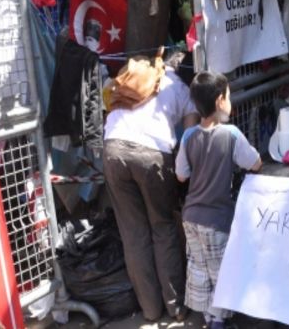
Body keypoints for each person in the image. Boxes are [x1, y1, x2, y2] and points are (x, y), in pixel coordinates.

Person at [102, 51, 199, 322]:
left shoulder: (143, 73)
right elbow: (188, 141)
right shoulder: (184, 90)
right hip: (152, 154)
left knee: (133, 233)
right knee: (163, 227)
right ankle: (176, 308)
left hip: (113, 148)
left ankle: (150, 310)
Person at [176, 72, 262, 329]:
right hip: (217, 220)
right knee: (222, 273)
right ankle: (217, 322)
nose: (230, 100)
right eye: (228, 96)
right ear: (219, 101)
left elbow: (181, 175)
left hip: (190, 217)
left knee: (200, 269)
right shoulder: (231, 134)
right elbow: (254, 163)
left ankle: (209, 317)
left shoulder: (188, 136)